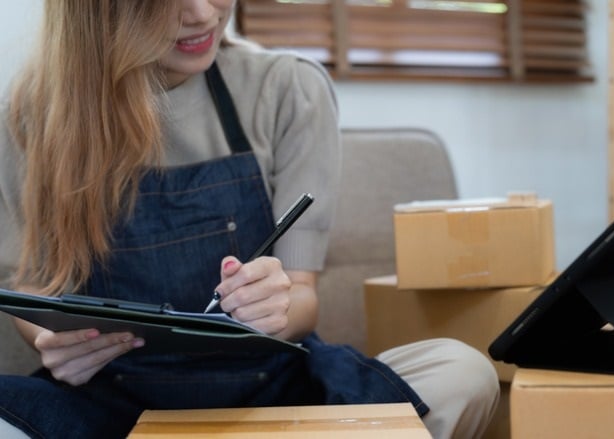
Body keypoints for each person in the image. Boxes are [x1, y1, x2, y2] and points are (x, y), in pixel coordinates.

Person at [0, 1, 500, 438]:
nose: (201, 14)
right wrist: (49, 339)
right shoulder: (28, 114)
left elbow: (303, 298)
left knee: (462, 373)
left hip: (276, 394)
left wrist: (277, 308)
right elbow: (30, 288)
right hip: (110, 405)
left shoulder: (289, 88)